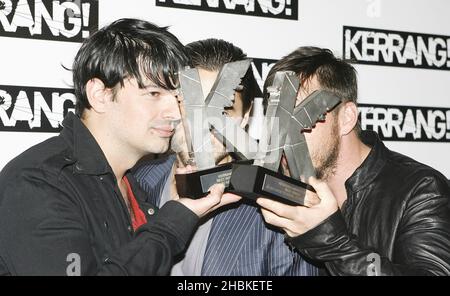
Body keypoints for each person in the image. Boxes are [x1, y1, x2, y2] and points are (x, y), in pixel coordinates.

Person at [0, 19, 239, 276]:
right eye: (154, 94)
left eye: (177, 97)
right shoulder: (37, 183)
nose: (175, 113)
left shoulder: (130, 183)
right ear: (100, 95)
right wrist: (173, 224)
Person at [256, 46, 450, 275]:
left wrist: (333, 244)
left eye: (301, 115)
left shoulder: (421, 189)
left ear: (346, 118)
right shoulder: (279, 187)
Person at [134, 39, 318, 276]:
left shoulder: (279, 208)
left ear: (245, 116)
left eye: (223, 110)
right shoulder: (134, 181)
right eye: (194, 104)